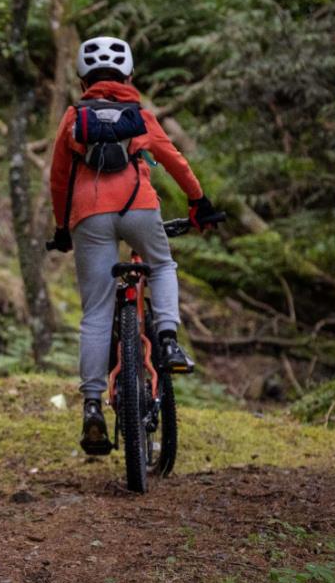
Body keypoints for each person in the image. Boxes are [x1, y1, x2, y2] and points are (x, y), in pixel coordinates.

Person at [48, 36, 218, 454]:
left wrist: (61, 227)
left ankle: (92, 406)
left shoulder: (74, 117)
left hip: (88, 214)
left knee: (96, 312)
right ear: (129, 75)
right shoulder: (138, 114)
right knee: (161, 267)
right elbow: (173, 158)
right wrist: (199, 201)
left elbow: (58, 176)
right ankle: (167, 339)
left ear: (82, 77)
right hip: (138, 206)